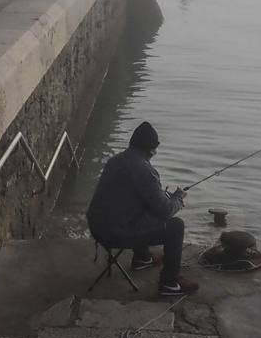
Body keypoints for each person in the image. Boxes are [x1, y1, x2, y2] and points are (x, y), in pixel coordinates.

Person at [85, 121, 199, 296]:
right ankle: (169, 283)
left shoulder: (115, 161)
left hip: (97, 228)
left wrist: (161, 198)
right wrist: (178, 198)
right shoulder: (144, 169)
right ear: (152, 149)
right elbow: (165, 211)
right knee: (176, 226)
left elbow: (131, 196)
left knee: (141, 209)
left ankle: (142, 258)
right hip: (114, 234)